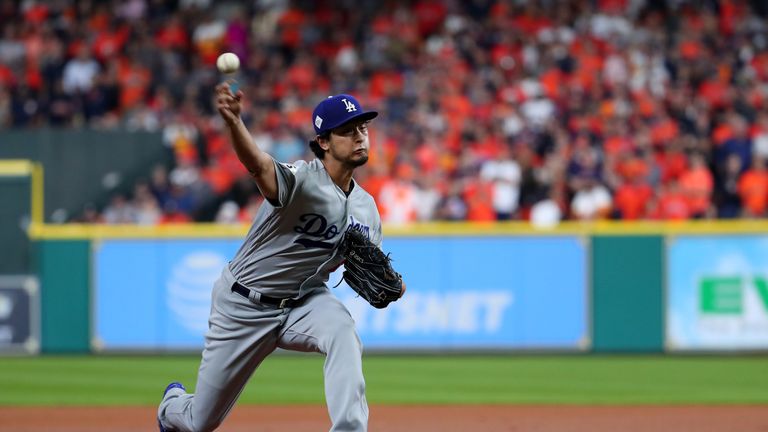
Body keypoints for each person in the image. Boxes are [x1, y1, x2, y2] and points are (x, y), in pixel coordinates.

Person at [157, 83, 403, 431]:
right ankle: (171, 405)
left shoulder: (367, 209)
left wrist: (396, 285)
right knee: (200, 422)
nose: (360, 136)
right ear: (324, 142)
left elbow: (372, 268)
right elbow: (258, 166)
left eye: (363, 128)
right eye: (347, 131)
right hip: (243, 304)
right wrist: (234, 124)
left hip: (305, 303)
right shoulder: (302, 180)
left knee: (342, 329)